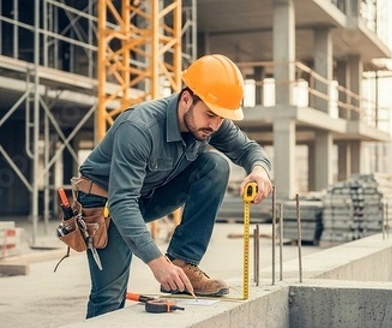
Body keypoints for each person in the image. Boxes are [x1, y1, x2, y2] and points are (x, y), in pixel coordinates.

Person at [76, 54, 273, 318]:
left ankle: (184, 261)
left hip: (148, 193)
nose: (215, 125)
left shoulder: (211, 123)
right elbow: (123, 203)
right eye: (211, 115)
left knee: (215, 165)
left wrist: (259, 170)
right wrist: (157, 262)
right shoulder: (139, 128)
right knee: (109, 296)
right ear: (186, 99)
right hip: (106, 203)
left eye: (222, 118)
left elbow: (248, 149)